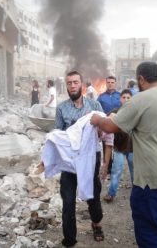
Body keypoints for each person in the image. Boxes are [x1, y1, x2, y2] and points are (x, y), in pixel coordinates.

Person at [91, 61, 157, 248]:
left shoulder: (140, 100)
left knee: (150, 233)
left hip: (152, 182)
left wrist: (97, 119)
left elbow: (111, 126)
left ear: (141, 79)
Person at [54, 71, 105, 247]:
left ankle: (96, 223)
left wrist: (98, 130)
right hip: (69, 160)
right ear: (66, 86)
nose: (72, 86)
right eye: (69, 83)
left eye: (75, 82)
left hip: (91, 158)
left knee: (93, 195)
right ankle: (69, 239)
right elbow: (58, 135)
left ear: (82, 85)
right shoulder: (61, 108)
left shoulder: (95, 105)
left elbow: (104, 133)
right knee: (68, 201)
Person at [102, 89, 134, 203]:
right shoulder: (115, 111)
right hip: (119, 147)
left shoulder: (135, 113)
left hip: (133, 148)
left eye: (128, 97)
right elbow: (104, 120)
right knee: (116, 171)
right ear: (120, 99)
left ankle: (138, 194)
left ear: (132, 99)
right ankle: (111, 193)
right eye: (124, 97)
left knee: (134, 172)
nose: (126, 99)